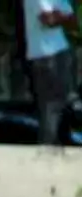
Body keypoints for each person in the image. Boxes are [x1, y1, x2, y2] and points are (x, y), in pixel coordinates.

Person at [22, 0, 77, 145]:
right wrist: (60, 16)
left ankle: (58, 142)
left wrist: (58, 16)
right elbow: (48, 20)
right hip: (45, 55)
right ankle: (47, 147)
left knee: (62, 103)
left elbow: (72, 19)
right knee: (50, 105)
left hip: (59, 52)